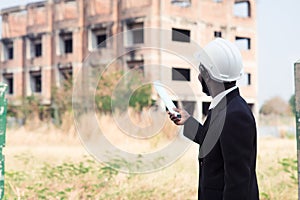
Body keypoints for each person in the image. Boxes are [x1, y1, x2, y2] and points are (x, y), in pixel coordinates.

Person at [168, 38, 259, 200]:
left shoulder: (235, 115)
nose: (198, 77)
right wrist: (188, 121)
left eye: (200, 72)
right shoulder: (225, 106)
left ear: (208, 75)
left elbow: (238, 184)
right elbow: (214, 143)